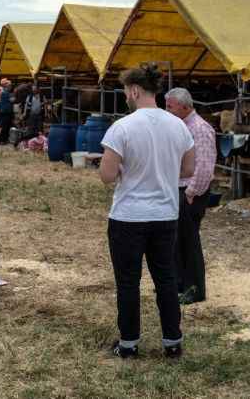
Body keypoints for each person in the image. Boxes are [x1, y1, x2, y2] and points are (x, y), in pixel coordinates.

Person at [99, 64, 195, 359]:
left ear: (135, 90)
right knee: (166, 279)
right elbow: (188, 169)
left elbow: (106, 175)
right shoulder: (178, 125)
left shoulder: (123, 127)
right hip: (165, 214)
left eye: (127, 91)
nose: (126, 96)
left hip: (129, 216)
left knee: (128, 281)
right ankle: (172, 341)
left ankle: (128, 344)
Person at [165, 87, 216, 305]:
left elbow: (204, 166)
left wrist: (192, 192)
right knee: (176, 240)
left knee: (189, 240)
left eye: (170, 106)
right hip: (180, 188)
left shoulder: (200, 129)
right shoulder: (181, 126)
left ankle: (194, 289)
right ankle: (179, 283)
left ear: (185, 106)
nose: (166, 110)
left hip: (190, 191)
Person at [0, 79, 14, 145]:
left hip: (6, 112)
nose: (11, 87)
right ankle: (2, 140)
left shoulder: (6, 92)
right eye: (10, 86)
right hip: (6, 112)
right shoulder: (5, 93)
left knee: (6, 126)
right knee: (5, 127)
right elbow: (12, 100)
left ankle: (4, 139)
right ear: (6, 86)